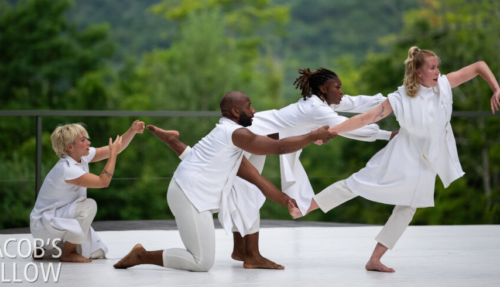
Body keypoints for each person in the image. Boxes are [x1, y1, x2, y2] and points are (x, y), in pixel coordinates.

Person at [147, 68, 397, 269]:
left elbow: (356, 103)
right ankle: (250, 254)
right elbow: (350, 126)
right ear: (324, 89)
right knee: (247, 190)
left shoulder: (322, 102)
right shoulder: (317, 108)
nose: (342, 92)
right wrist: (389, 135)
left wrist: (393, 99)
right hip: (256, 136)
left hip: (261, 137)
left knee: (238, 185)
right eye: (338, 87)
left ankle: (241, 249)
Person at [303, 47, 500, 272]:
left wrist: (496, 88)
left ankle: (375, 259)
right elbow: (365, 119)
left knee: (408, 207)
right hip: (401, 153)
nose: (437, 72)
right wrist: (331, 132)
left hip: (428, 159)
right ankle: (304, 207)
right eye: (432, 68)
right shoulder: (400, 98)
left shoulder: (443, 85)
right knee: (358, 183)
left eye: (438, 67)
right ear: (418, 72)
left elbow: (478, 66)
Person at [113, 91, 335, 272]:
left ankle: (245, 251)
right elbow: (279, 148)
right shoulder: (236, 134)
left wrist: (285, 200)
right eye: (250, 106)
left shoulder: (231, 144)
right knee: (201, 262)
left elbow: (257, 179)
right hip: (187, 195)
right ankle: (141, 255)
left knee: (244, 191)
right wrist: (312, 136)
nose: (254, 110)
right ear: (236, 111)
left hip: (192, 190)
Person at [30, 120, 145, 263]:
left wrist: (132, 130)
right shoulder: (67, 169)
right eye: (83, 140)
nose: (88, 143)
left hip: (55, 217)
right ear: (70, 147)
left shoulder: (80, 157)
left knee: (98, 252)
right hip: (44, 223)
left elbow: (114, 148)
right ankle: (67, 252)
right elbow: (104, 181)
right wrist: (113, 155)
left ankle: (47, 248)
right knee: (89, 206)